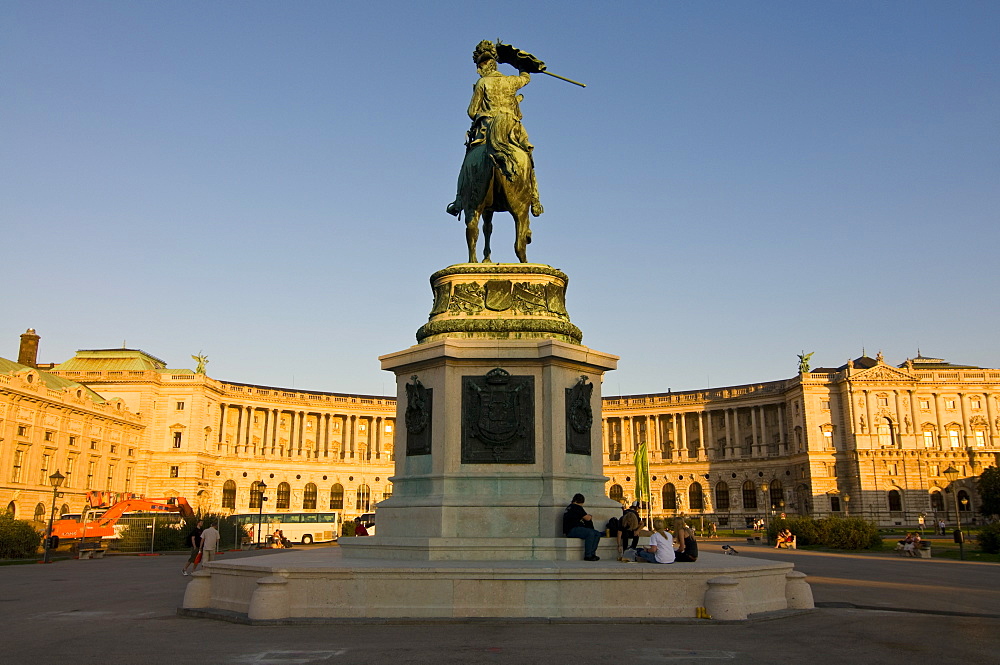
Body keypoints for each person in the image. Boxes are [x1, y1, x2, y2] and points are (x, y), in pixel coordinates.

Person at [447, 39, 543, 219]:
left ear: (487, 64)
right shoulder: (511, 81)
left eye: (480, 64)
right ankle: (535, 198)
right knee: (528, 155)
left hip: (487, 129)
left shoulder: (483, 82)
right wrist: (518, 61)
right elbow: (526, 76)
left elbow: (471, 111)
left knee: (467, 159)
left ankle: (459, 200)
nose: (478, 69)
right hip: (511, 129)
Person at [563, 493, 601, 561]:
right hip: (573, 529)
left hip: (570, 530)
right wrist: (590, 516)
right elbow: (587, 518)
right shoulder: (576, 507)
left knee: (597, 533)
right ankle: (589, 555)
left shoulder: (569, 507)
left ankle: (592, 554)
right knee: (591, 533)